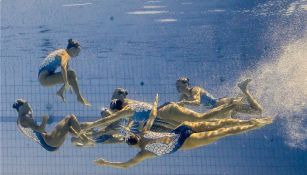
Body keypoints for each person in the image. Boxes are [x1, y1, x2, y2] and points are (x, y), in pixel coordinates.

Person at [93, 95, 272, 168]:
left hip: (182, 136)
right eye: (130, 138)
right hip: (182, 137)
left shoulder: (144, 143)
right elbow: (126, 165)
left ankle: (251, 122)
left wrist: (106, 163)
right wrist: (106, 163)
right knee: (219, 128)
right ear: (134, 140)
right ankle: (252, 122)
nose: (131, 136)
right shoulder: (144, 143)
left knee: (220, 127)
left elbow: (126, 165)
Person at [81, 88, 239, 133]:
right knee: (196, 125)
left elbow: (106, 121)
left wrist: (88, 126)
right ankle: (228, 113)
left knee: (200, 118)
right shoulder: (129, 106)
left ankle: (231, 105)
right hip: (164, 115)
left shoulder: (126, 110)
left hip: (167, 111)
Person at [13, 99, 94, 151]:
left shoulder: (21, 119)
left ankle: (86, 136)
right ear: (21, 108)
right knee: (70, 118)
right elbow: (40, 129)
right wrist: (44, 120)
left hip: (50, 145)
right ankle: (84, 139)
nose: (30, 107)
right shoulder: (24, 118)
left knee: (70, 125)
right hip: (50, 140)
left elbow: (34, 131)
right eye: (27, 105)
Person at [38, 39, 91, 106]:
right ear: (72, 49)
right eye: (77, 52)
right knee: (71, 74)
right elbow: (63, 69)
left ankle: (62, 92)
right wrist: (66, 83)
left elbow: (67, 72)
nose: (77, 55)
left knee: (70, 75)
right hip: (44, 79)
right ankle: (79, 97)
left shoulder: (62, 52)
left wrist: (67, 82)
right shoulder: (64, 55)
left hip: (45, 76)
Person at [176, 77, 263, 115]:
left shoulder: (195, 90)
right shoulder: (185, 96)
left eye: (178, 85)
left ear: (185, 85)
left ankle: (243, 89)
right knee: (233, 117)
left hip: (221, 104)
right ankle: (243, 94)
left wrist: (184, 102)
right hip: (220, 107)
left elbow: (197, 102)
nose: (177, 88)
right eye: (177, 86)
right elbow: (179, 107)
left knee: (258, 112)